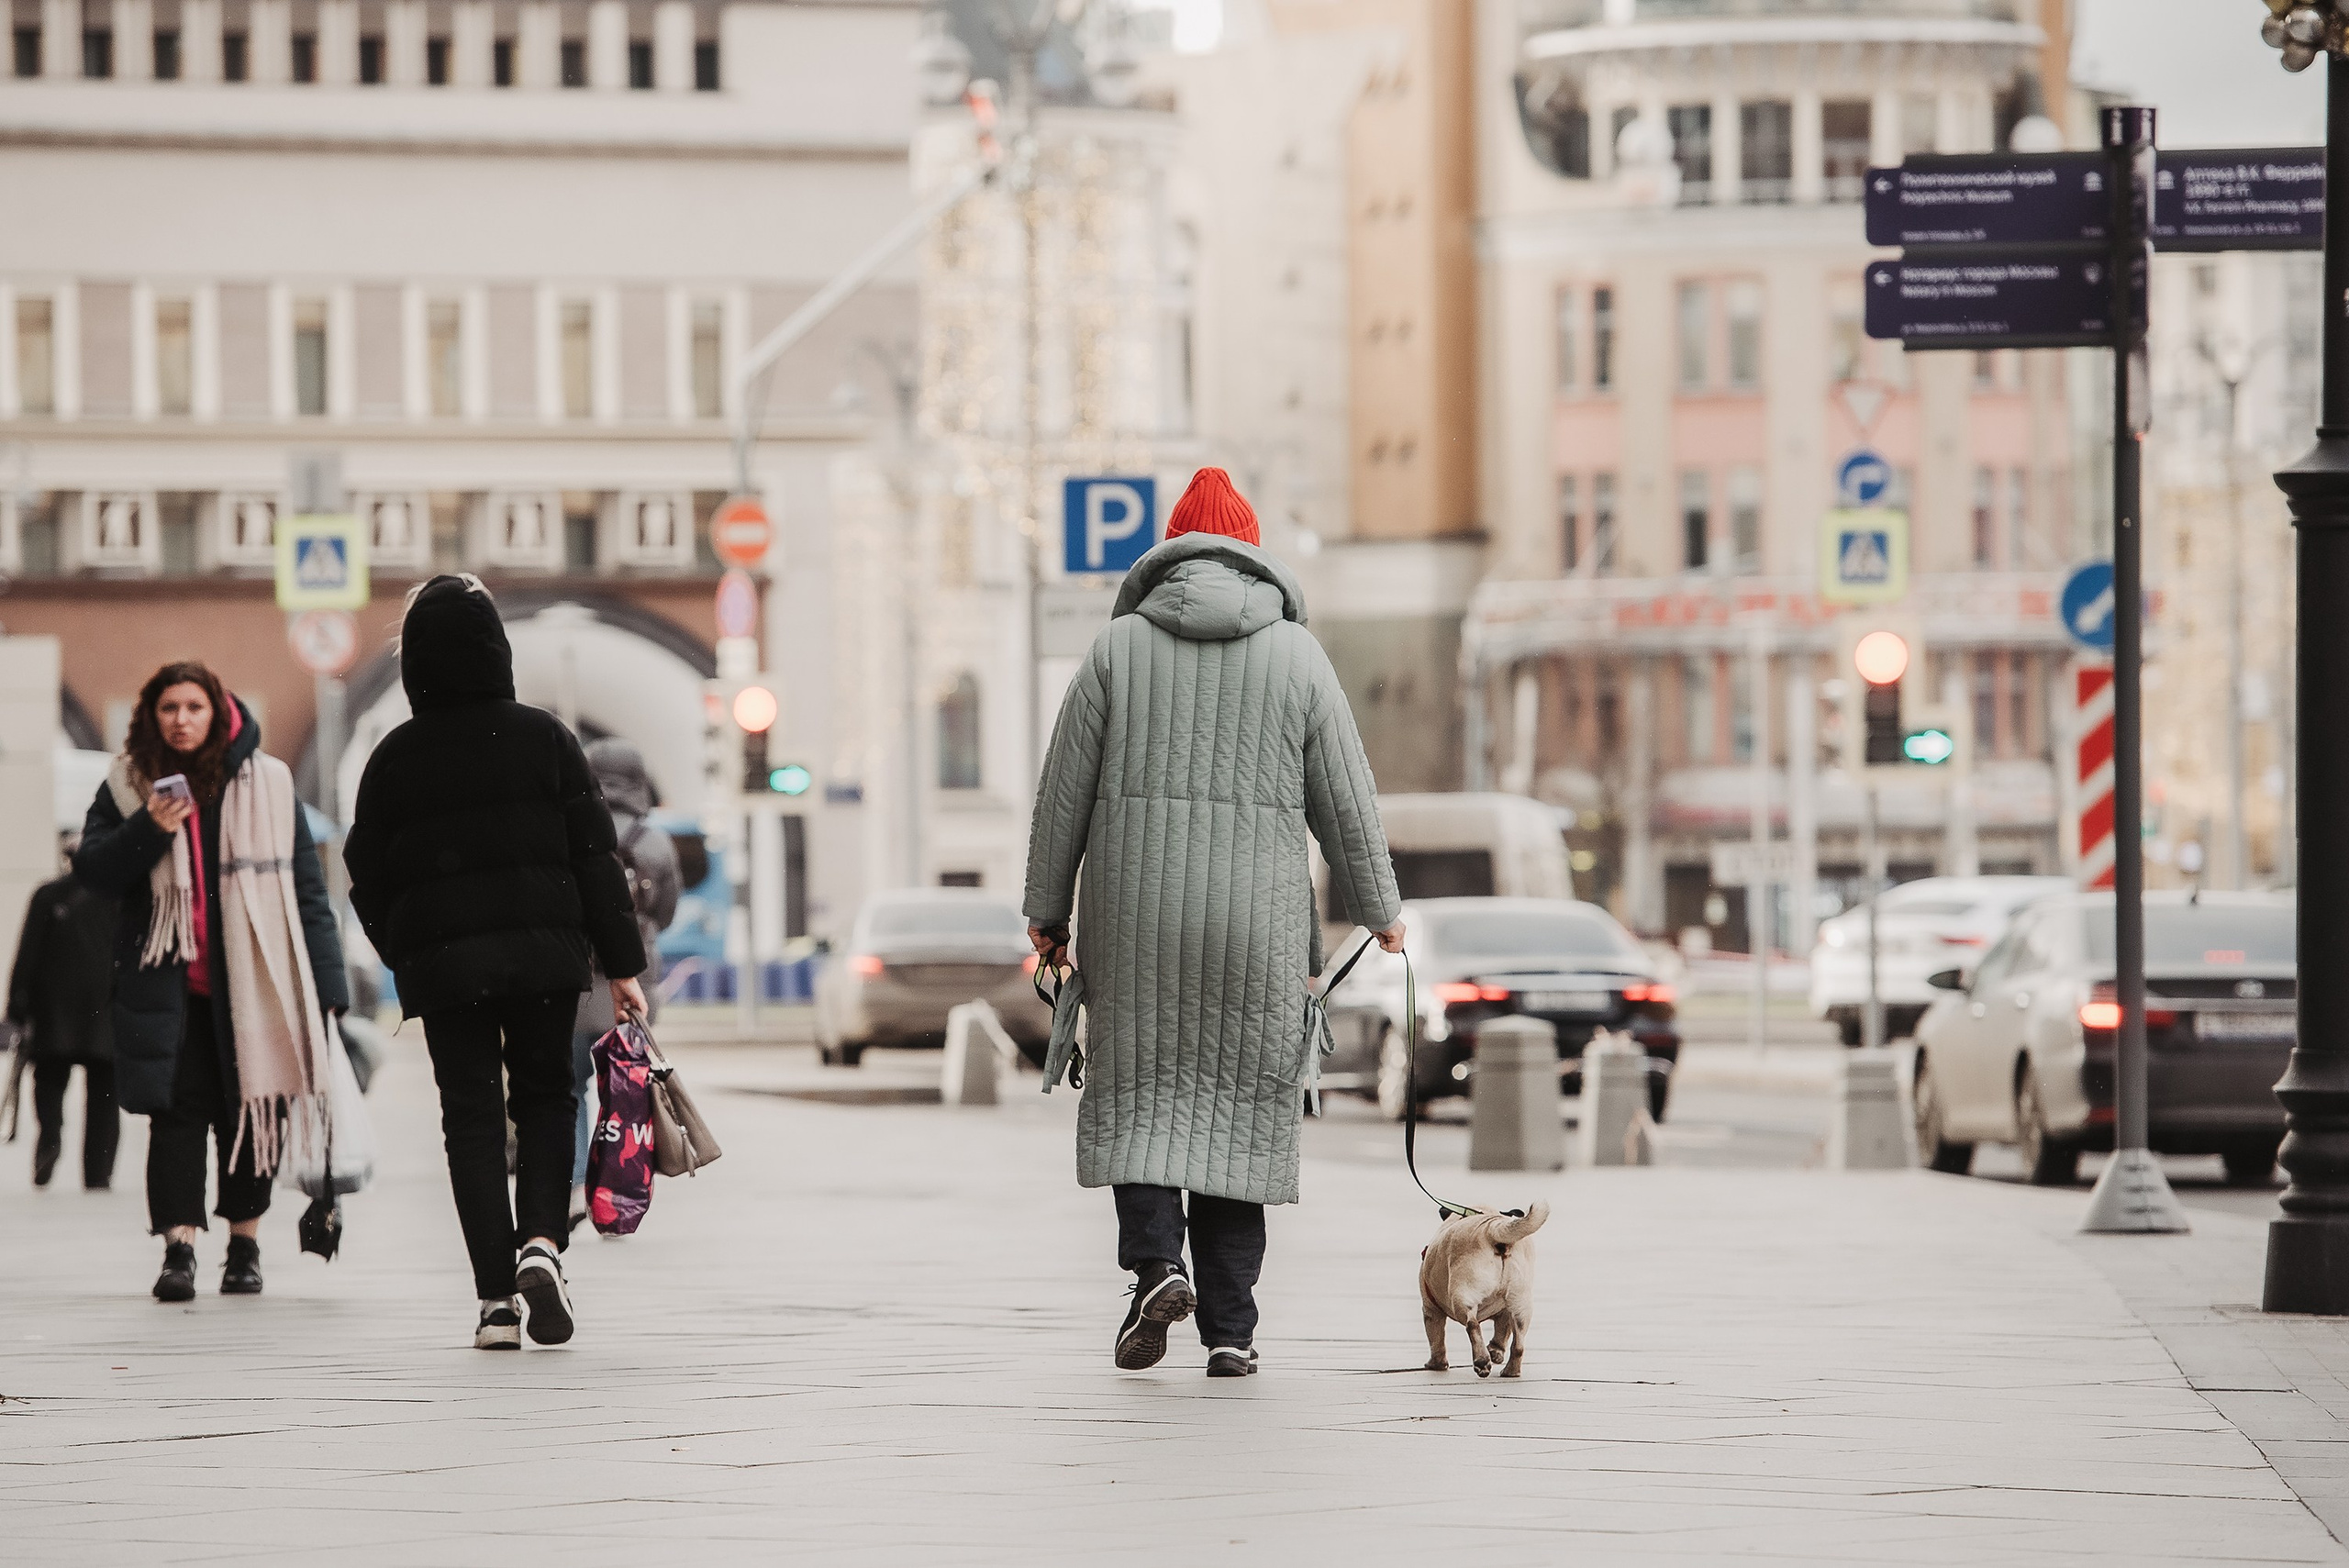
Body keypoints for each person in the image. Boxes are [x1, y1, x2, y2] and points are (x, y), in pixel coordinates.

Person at [1022, 466, 1404, 1379]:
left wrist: (1046, 913)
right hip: (1255, 928)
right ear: (1252, 554)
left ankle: (1158, 1266)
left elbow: (1061, 794)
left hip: (1135, 919)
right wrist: (1380, 910)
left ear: (1171, 550)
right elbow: (1346, 800)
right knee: (1239, 1115)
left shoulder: (1116, 649)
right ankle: (1230, 1330)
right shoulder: (1299, 657)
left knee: (1141, 1101)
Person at [344, 575, 647, 1351]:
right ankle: (540, 1240)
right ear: (496, 650)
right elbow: (595, 858)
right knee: (547, 1096)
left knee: (470, 1118)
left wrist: (405, 952)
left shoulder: (393, 757)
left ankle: (494, 1303)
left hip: (447, 970)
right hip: (545, 960)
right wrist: (622, 966)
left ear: (413, 660)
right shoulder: (546, 739)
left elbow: (364, 872)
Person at [73, 662, 349, 1301]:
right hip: (165, 986)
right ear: (152, 716)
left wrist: (329, 986)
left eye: (194, 707)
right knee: (175, 1118)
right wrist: (150, 826)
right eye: (169, 708)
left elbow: (307, 891)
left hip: (254, 982)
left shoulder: (268, 781)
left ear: (219, 712)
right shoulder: (128, 783)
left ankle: (244, 1246)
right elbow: (94, 871)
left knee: (249, 1111)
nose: (182, 719)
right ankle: (179, 1249)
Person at [568, 738, 680, 1225]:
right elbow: (667, 912)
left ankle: (575, 1186)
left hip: (574, 988)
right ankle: (616, 1194)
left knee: (570, 1089)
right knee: (627, 1093)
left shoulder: (569, 831)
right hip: (633, 991)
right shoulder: (654, 843)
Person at [9, 838, 119, 1189]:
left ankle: (50, 1138)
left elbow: (27, 955)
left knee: (50, 1081)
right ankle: (98, 1172)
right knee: (104, 1095)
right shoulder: (119, 897)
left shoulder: (48, 895)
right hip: (105, 1011)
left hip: (53, 1010)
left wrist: (16, 1009)